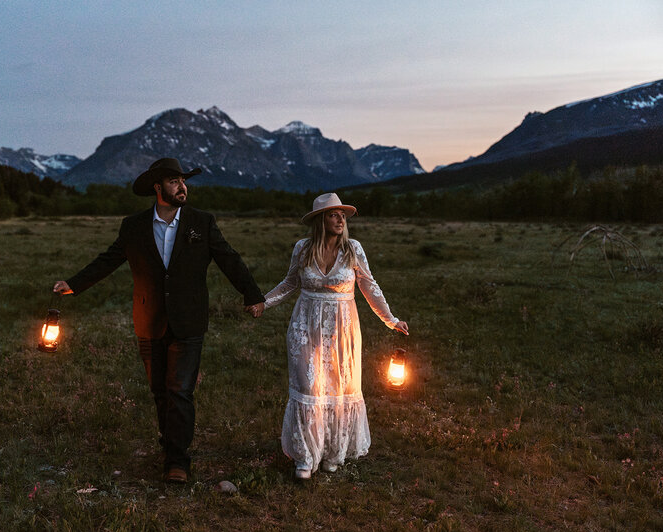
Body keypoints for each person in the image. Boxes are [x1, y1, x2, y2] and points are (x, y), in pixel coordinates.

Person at [53, 157, 265, 484]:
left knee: (179, 390)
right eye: (174, 182)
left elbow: (229, 258)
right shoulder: (134, 226)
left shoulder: (201, 222)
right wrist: (75, 284)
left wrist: (252, 294)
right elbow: (108, 259)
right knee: (159, 392)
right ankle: (169, 446)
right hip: (149, 320)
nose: (183, 187)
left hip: (188, 321)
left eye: (184, 181)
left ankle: (178, 462)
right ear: (158, 187)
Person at [248, 192, 408, 480]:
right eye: (333, 215)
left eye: (342, 215)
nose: (340, 219)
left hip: (343, 327)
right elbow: (289, 284)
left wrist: (391, 320)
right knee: (308, 388)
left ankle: (333, 453)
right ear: (321, 220)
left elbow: (370, 286)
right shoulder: (303, 248)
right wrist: (263, 302)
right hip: (304, 326)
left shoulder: (353, 249)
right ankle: (305, 457)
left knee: (337, 387)